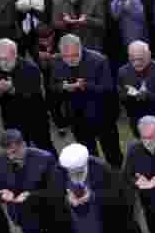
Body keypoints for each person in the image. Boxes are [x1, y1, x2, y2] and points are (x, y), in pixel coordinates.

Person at [50, 34, 123, 167]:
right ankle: (96, 178)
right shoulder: (56, 61)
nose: (70, 59)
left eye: (74, 55)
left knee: (112, 152)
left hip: (102, 114)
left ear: (81, 48)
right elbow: (52, 86)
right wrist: (63, 87)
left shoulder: (99, 60)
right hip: (77, 116)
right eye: (66, 56)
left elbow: (108, 89)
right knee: (87, 154)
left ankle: (117, 178)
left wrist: (86, 86)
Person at [0, 38, 53, 154]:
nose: (3, 63)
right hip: (11, 119)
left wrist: (11, 89)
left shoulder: (30, 68)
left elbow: (31, 93)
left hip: (34, 117)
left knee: (44, 146)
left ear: (15, 55)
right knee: (17, 150)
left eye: (6, 59)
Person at [118, 41, 155, 139]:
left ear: (149, 55)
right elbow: (120, 96)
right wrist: (130, 95)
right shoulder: (123, 72)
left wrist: (147, 95)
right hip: (137, 120)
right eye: (133, 60)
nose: (137, 63)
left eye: (141, 59)